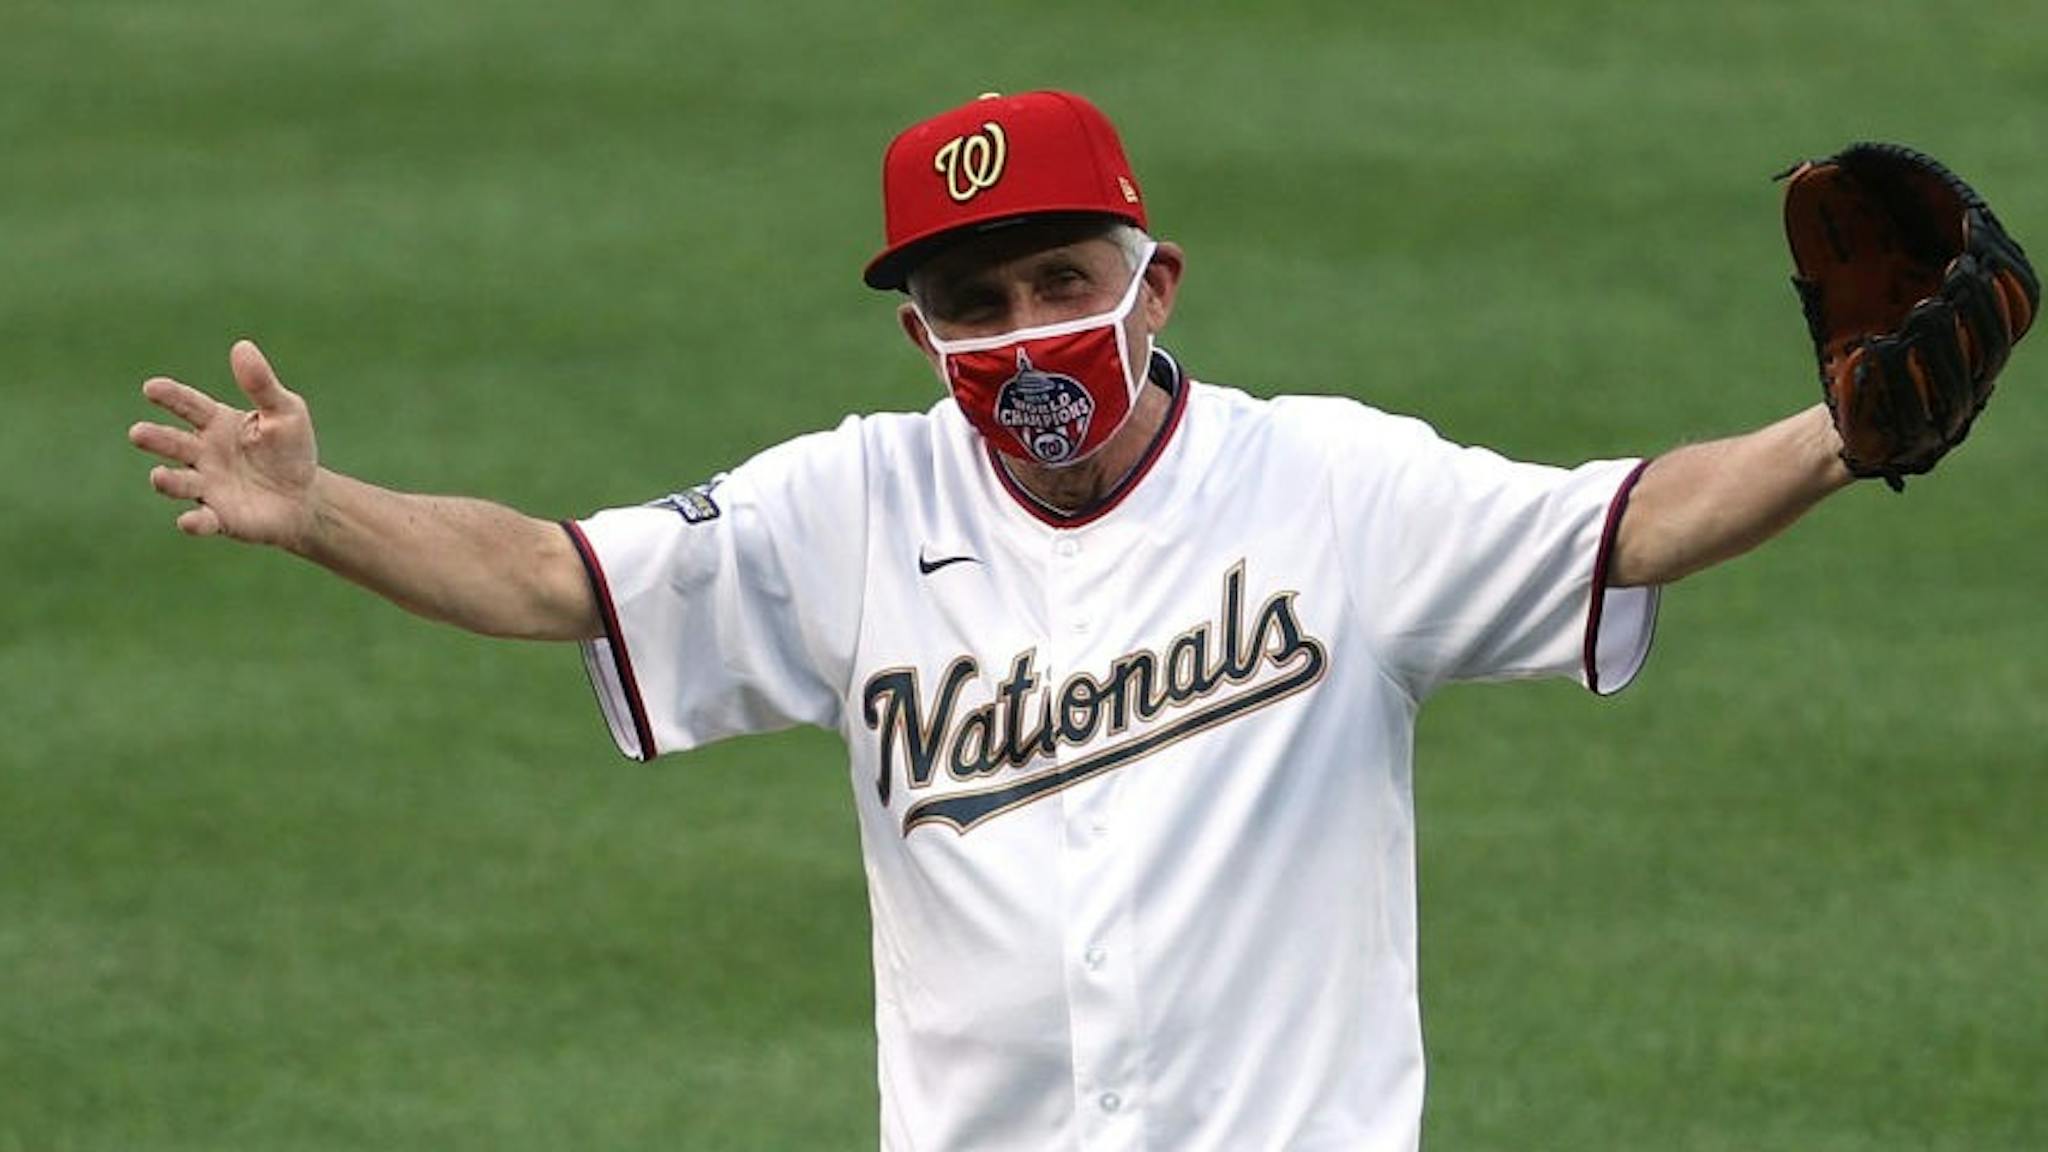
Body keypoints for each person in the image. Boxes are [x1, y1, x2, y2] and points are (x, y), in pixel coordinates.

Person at [128, 90, 1862, 1151]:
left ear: (1153, 282)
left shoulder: (1334, 484)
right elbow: (546, 576)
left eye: (1062, 280)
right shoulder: (848, 505)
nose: (1024, 331)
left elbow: (1631, 521)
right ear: (920, 336)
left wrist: (1844, 435)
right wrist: (322, 513)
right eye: (974, 301)